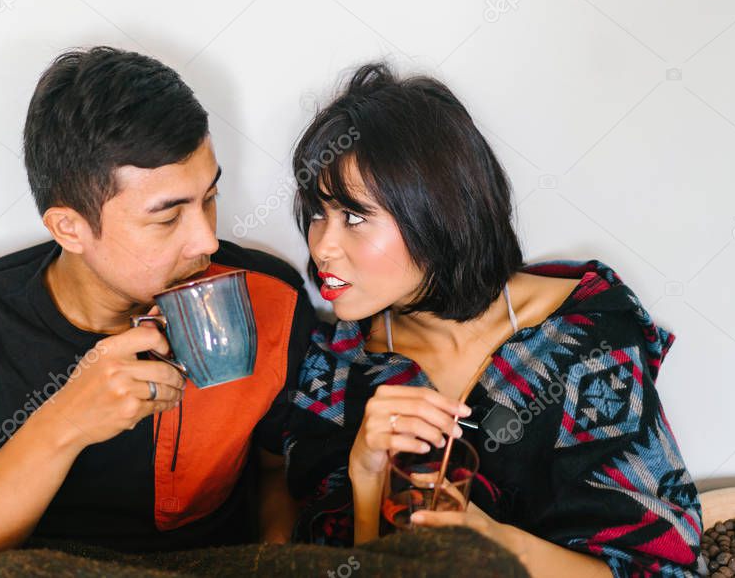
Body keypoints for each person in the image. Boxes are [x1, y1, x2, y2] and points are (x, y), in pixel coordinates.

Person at [0, 47, 316, 576]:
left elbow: (278, 473)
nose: (206, 239)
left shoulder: (266, 296)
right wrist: (68, 419)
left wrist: (273, 559)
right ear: (69, 228)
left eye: (209, 196)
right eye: (167, 218)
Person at [284, 63, 703, 577]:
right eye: (318, 213)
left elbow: (660, 570)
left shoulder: (586, 339)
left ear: (436, 211)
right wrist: (367, 477)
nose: (322, 246)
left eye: (353, 217)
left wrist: (493, 541)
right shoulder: (336, 371)